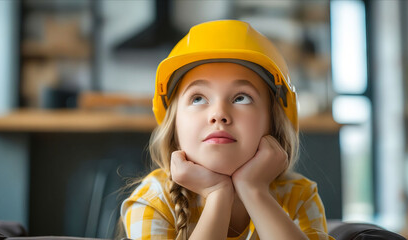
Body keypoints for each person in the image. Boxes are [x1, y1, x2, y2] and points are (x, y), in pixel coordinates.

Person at [120, 19, 333, 240]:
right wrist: (217, 194)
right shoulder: (154, 199)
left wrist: (254, 191)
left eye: (241, 98)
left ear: (273, 122)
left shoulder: (299, 196)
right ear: (174, 125)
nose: (218, 114)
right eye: (198, 98)